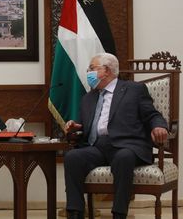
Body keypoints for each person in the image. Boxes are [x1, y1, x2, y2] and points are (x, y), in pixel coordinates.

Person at [63, 53, 168, 219]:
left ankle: (119, 213)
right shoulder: (88, 98)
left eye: (92, 69)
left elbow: (152, 115)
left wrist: (160, 126)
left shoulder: (134, 89)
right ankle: (75, 212)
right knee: (72, 157)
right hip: (97, 147)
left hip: (128, 146)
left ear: (106, 70)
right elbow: (83, 125)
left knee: (123, 157)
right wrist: (75, 127)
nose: (88, 72)